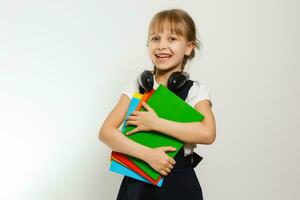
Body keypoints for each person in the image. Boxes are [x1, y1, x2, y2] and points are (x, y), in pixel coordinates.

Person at [99, 8, 216, 200]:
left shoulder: (196, 90)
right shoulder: (137, 84)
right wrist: (148, 155)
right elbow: (106, 132)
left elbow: (207, 133)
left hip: (178, 184)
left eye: (172, 39)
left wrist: (155, 123)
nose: (162, 46)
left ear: (189, 47)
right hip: (137, 181)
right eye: (155, 38)